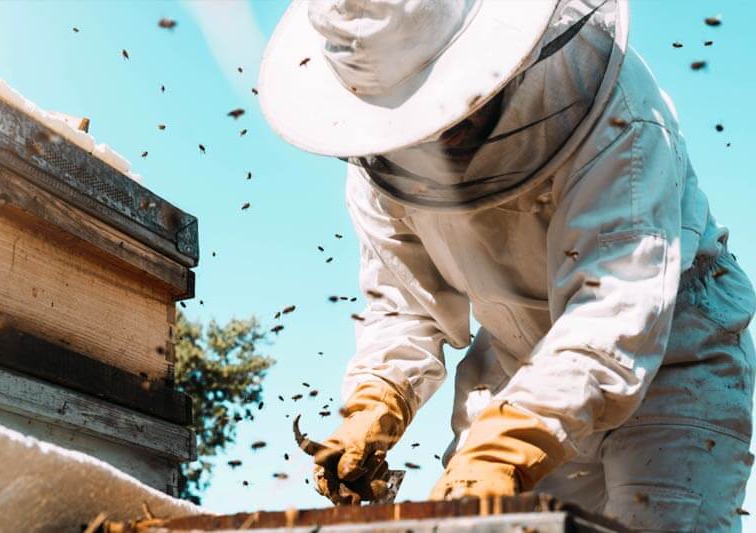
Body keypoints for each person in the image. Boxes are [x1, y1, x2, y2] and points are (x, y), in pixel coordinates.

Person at [258, 0, 755, 530]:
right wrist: (377, 401)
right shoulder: (381, 155)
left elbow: (613, 308)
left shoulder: (619, 115)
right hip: (516, 362)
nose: (436, 133)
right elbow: (406, 305)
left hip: (673, 359)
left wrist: (505, 449)